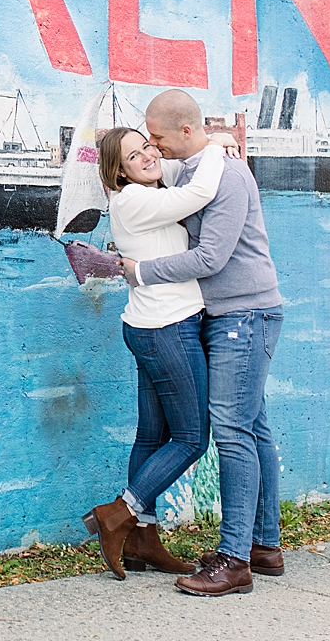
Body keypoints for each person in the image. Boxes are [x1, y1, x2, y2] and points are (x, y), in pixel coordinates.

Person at [121, 89, 285, 598]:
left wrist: (139, 271)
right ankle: (264, 545)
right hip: (221, 316)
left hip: (246, 314)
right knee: (253, 427)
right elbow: (146, 193)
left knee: (232, 431)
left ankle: (234, 561)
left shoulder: (228, 176)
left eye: (159, 137)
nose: (154, 146)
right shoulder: (190, 170)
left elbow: (211, 257)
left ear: (187, 133)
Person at [80, 126, 223, 580]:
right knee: (191, 438)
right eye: (133, 155)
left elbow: (175, 166)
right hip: (168, 331)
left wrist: (191, 148)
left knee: (150, 437)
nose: (146, 156)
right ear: (117, 171)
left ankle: (143, 540)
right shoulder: (135, 201)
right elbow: (199, 191)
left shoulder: (144, 192)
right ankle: (120, 513)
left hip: (149, 327)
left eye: (148, 146)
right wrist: (215, 146)